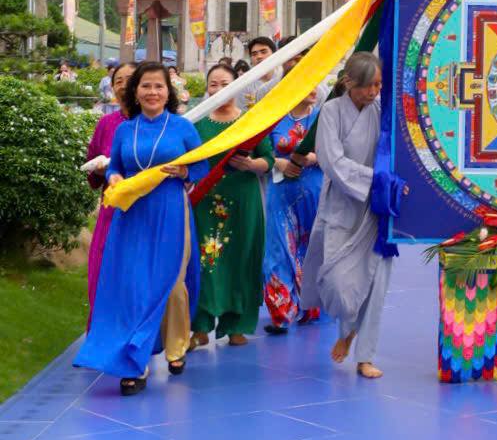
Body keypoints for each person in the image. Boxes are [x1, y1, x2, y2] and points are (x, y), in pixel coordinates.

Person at [76, 62, 207, 396]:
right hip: (132, 215)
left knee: (172, 283)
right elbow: (114, 168)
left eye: (158, 86)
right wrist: (114, 177)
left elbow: (202, 165)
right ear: (135, 91)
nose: (152, 92)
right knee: (134, 285)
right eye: (145, 86)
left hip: (170, 211)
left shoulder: (182, 127)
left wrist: (184, 173)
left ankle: (177, 347)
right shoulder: (125, 130)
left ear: (168, 91)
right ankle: (135, 362)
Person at [301, 51, 397, 378]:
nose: (373, 92)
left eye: (378, 85)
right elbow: (332, 161)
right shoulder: (330, 111)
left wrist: (387, 185)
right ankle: (348, 329)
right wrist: (376, 179)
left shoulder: (382, 111)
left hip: (377, 208)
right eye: (368, 85)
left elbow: (394, 153)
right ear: (349, 83)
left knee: (376, 282)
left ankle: (365, 356)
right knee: (340, 283)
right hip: (342, 204)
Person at [190, 64, 274, 349]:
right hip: (206, 204)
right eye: (213, 84)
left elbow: (268, 160)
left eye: (225, 83)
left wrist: (251, 165)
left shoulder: (252, 120)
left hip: (244, 205)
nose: (219, 89)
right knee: (207, 265)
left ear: (238, 85)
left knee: (240, 262)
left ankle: (237, 326)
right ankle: (200, 327)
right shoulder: (197, 123)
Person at [262, 85, 323, 334]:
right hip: (281, 193)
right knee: (278, 248)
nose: (313, 89)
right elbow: (262, 153)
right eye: (306, 84)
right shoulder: (274, 118)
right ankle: (281, 312)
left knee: (312, 248)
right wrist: (278, 162)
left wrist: (314, 158)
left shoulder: (323, 117)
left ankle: (310, 305)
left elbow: (337, 152)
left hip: (313, 191)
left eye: (315, 84)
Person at [83, 60, 135, 322]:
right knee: (104, 269)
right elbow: (92, 164)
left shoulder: (155, 123)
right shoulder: (106, 123)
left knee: (135, 274)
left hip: (144, 208)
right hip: (111, 208)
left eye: (130, 79)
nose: (123, 85)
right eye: (118, 81)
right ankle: (102, 333)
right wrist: (100, 170)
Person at [237, 35, 282, 111]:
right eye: (254, 54)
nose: (259, 56)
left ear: (274, 54)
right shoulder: (243, 85)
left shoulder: (284, 76)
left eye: (263, 52)